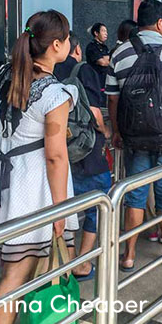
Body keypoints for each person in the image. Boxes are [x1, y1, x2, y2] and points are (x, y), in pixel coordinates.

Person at [0, 10, 80, 324]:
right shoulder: (54, 93)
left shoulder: (6, 74)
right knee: (16, 277)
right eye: (68, 38)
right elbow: (56, 157)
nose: (71, 43)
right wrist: (61, 210)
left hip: (2, 182)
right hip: (33, 190)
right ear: (57, 45)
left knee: (15, 272)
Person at [106, 0, 162, 271]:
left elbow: (113, 100)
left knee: (134, 196)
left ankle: (129, 255)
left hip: (134, 138)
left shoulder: (119, 53)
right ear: (160, 23)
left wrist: (118, 133)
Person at [54, 30, 111, 281]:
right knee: (96, 205)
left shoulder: (47, 72)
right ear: (75, 49)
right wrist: (106, 131)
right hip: (86, 151)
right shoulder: (83, 71)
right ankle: (82, 263)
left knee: (63, 208)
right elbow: (95, 113)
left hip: (57, 150)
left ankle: (64, 263)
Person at [85, 22, 109, 104]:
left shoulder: (105, 47)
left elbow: (108, 60)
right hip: (95, 81)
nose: (106, 34)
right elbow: (102, 62)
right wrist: (107, 59)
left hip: (105, 81)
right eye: (103, 31)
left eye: (106, 31)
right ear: (96, 33)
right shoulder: (92, 47)